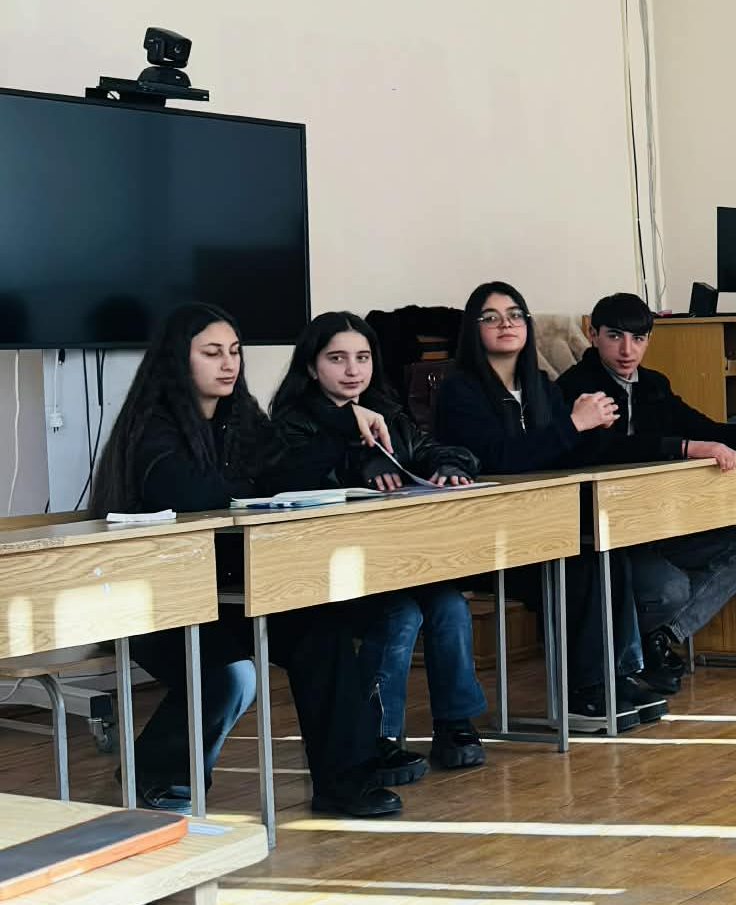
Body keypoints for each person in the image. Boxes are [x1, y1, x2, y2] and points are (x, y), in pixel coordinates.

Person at [87, 303, 402, 817]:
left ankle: (345, 784)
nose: (229, 363)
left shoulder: (241, 416)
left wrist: (343, 425)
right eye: (212, 353)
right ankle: (157, 771)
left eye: (234, 351)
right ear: (178, 359)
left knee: (321, 630)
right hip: (156, 600)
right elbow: (193, 495)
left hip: (226, 592)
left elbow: (286, 472)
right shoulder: (152, 426)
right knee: (230, 674)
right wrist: (253, 485)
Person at [431, 280, 667, 731]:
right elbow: (500, 459)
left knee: (604, 549)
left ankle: (614, 676)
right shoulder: (460, 390)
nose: (505, 324)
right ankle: (582, 692)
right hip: (487, 535)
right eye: (491, 317)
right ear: (473, 329)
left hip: (539, 526)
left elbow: (561, 453)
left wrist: (591, 427)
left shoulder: (540, 385)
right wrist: (574, 425)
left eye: (515, 315)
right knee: (578, 565)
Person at [269, 311, 490, 781]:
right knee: (401, 614)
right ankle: (375, 738)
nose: (353, 370)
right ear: (311, 367)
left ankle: (455, 724)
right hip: (329, 574)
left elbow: (438, 449)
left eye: (363, 357)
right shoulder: (292, 421)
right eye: (337, 359)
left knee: (449, 604)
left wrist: (449, 466)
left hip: (393, 565)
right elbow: (291, 477)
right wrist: (358, 459)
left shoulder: (387, 410)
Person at [556, 292, 736, 691]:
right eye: (615, 337)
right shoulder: (574, 388)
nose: (627, 350)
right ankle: (632, 651)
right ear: (593, 334)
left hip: (657, 522)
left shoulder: (653, 384)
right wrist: (683, 448)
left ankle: (661, 638)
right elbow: (600, 449)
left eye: (638, 339)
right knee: (670, 588)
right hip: (607, 534)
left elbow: (701, 426)